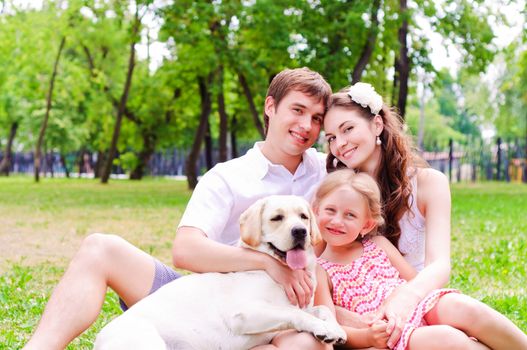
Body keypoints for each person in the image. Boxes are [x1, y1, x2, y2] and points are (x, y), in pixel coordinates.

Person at [24, 67, 332, 350]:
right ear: (270, 107)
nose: (306, 125)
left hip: (269, 315)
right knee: (100, 248)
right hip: (202, 299)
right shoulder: (228, 175)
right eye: (297, 110)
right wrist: (268, 264)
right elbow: (186, 250)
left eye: (317, 118)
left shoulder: (327, 170)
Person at [312, 169, 527, 350]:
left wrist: (406, 297)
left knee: (463, 307)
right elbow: (329, 325)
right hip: (392, 333)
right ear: (316, 211)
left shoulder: (378, 244)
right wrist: (368, 338)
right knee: (448, 339)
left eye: (350, 215)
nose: (337, 220)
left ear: (366, 225)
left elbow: (416, 281)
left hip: (417, 306)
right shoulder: (320, 270)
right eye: (330, 210)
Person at [321, 82, 453, 348]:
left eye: (348, 128)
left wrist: (405, 298)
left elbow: (440, 264)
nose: (340, 143)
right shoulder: (342, 195)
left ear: (377, 125)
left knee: (459, 331)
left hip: (420, 298)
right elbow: (317, 264)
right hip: (370, 319)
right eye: (332, 137)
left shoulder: (430, 183)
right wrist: (348, 318)